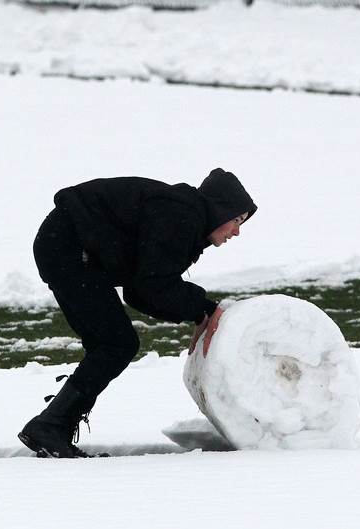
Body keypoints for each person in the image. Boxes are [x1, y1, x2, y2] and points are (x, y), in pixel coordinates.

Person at [18, 168, 257, 458]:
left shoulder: (183, 217)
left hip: (65, 246)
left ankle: (53, 427)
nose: (237, 232)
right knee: (115, 343)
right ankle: (51, 426)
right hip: (69, 248)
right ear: (220, 210)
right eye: (236, 221)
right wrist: (204, 308)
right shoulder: (180, 216)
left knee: (110, 343)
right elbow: (151, 285)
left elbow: (140, 290)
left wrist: (197, 312)